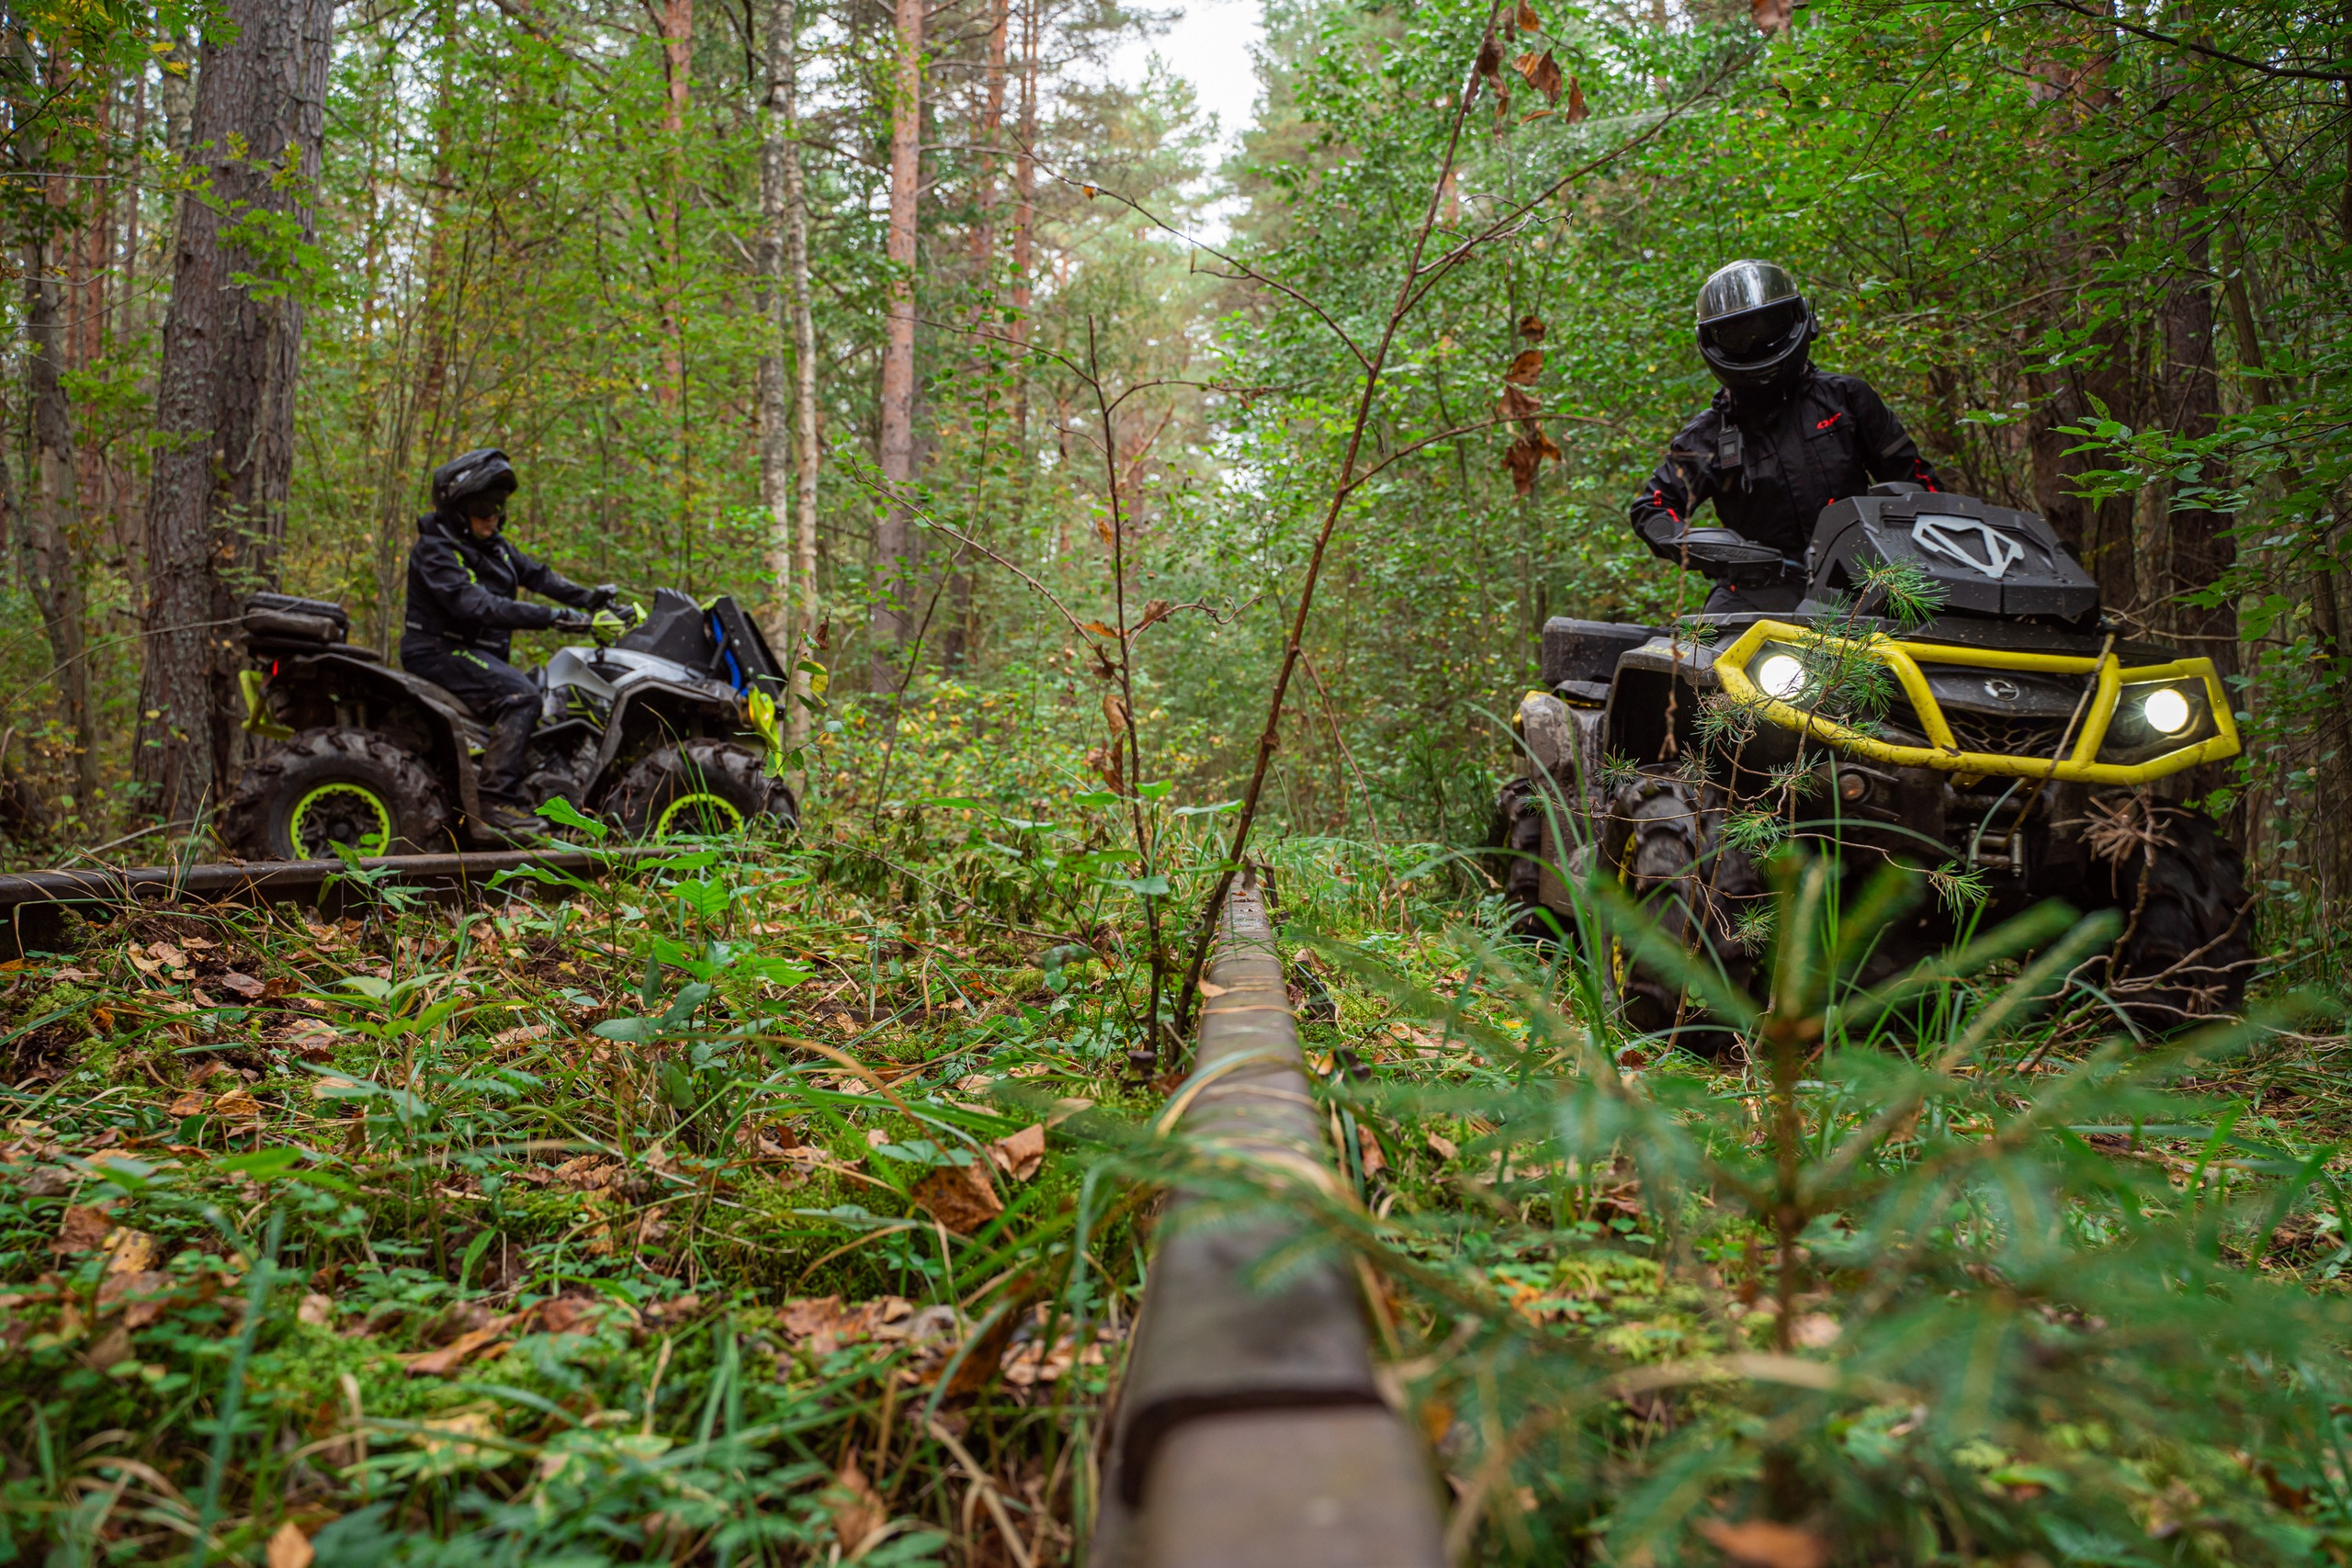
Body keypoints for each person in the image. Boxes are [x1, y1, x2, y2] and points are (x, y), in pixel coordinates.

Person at [1629, 259, 1945, 615]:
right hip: (1755, 591)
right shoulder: (1709, 436)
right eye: (1737, 335)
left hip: (1865, 584)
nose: (1755, 343)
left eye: (1768, 326)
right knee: (1700, 659)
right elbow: (1652, 509)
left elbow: (1920, 487)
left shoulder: (1847, 399)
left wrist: (1911, 553)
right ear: (1711, 342)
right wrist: (1721, 553)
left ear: (1797, 319)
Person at [401, 448, 623, 829]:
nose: (494, 517)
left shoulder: (494, 547)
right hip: (438, 652)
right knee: (521, 697)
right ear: (458, 511)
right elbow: (479, 606)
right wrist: (555, 617)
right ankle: (494, 803)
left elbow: (538, 576)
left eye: (499, 507)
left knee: (553, 696)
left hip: (475, 653)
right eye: (484, 508)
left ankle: (542, 793)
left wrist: (592, 599)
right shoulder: (436, 551)